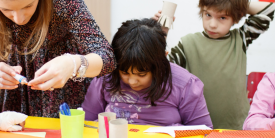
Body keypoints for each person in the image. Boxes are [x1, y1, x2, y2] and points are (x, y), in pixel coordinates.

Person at [154, 0, 275, 130]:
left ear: (235, 19)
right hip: (197, 125)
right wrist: (161, 33)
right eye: (208, 15)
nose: (212, 24)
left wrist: (235, 3)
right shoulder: (188, 43)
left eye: (222, 17)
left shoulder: (241, 38)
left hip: (237, 126)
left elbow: (268, 10)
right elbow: (161, 69)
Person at [82, 19, 213, 127]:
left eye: (141, 74)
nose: (132, 81)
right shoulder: (105, 77)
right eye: (124, 72)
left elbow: (203, 132)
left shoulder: (186, 84)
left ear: (161, 62)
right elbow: (87, 124)